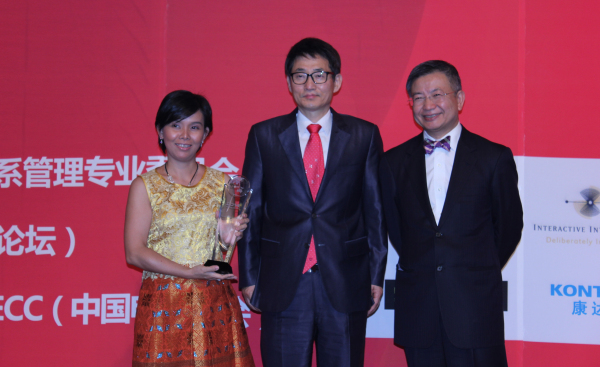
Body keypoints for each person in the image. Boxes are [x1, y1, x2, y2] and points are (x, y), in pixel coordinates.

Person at [237, 37, 387, 367]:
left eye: (319, 74)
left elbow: (375, 210)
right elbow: (251, 209)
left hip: (346, 280)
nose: (309, 84)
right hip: (283, 281)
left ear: (337, 81)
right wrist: (248, 276)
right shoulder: (264, 135)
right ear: (288, 83)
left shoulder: (364, 135)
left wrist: (376, 274)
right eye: (300, 75)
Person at [379, 60, 523, 367]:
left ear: (459, 99)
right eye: (418, 97)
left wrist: (473, 268)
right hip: (419, 308)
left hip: (474, 306)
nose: (428, 105)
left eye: (437, 94)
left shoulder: (493, 158)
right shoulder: (393, 162)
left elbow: (509, 227)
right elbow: (396, 230)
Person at [124, 90, 255, 367]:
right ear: (160, 131)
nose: (184, 135)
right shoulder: (144, 186)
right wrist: (188, 272)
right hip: (163, 305)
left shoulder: (224, 183)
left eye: (194, 127)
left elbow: (222, 250)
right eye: (176, 125)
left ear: (205, 134)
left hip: (213, 302)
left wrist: (227, 237)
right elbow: (134, 252)